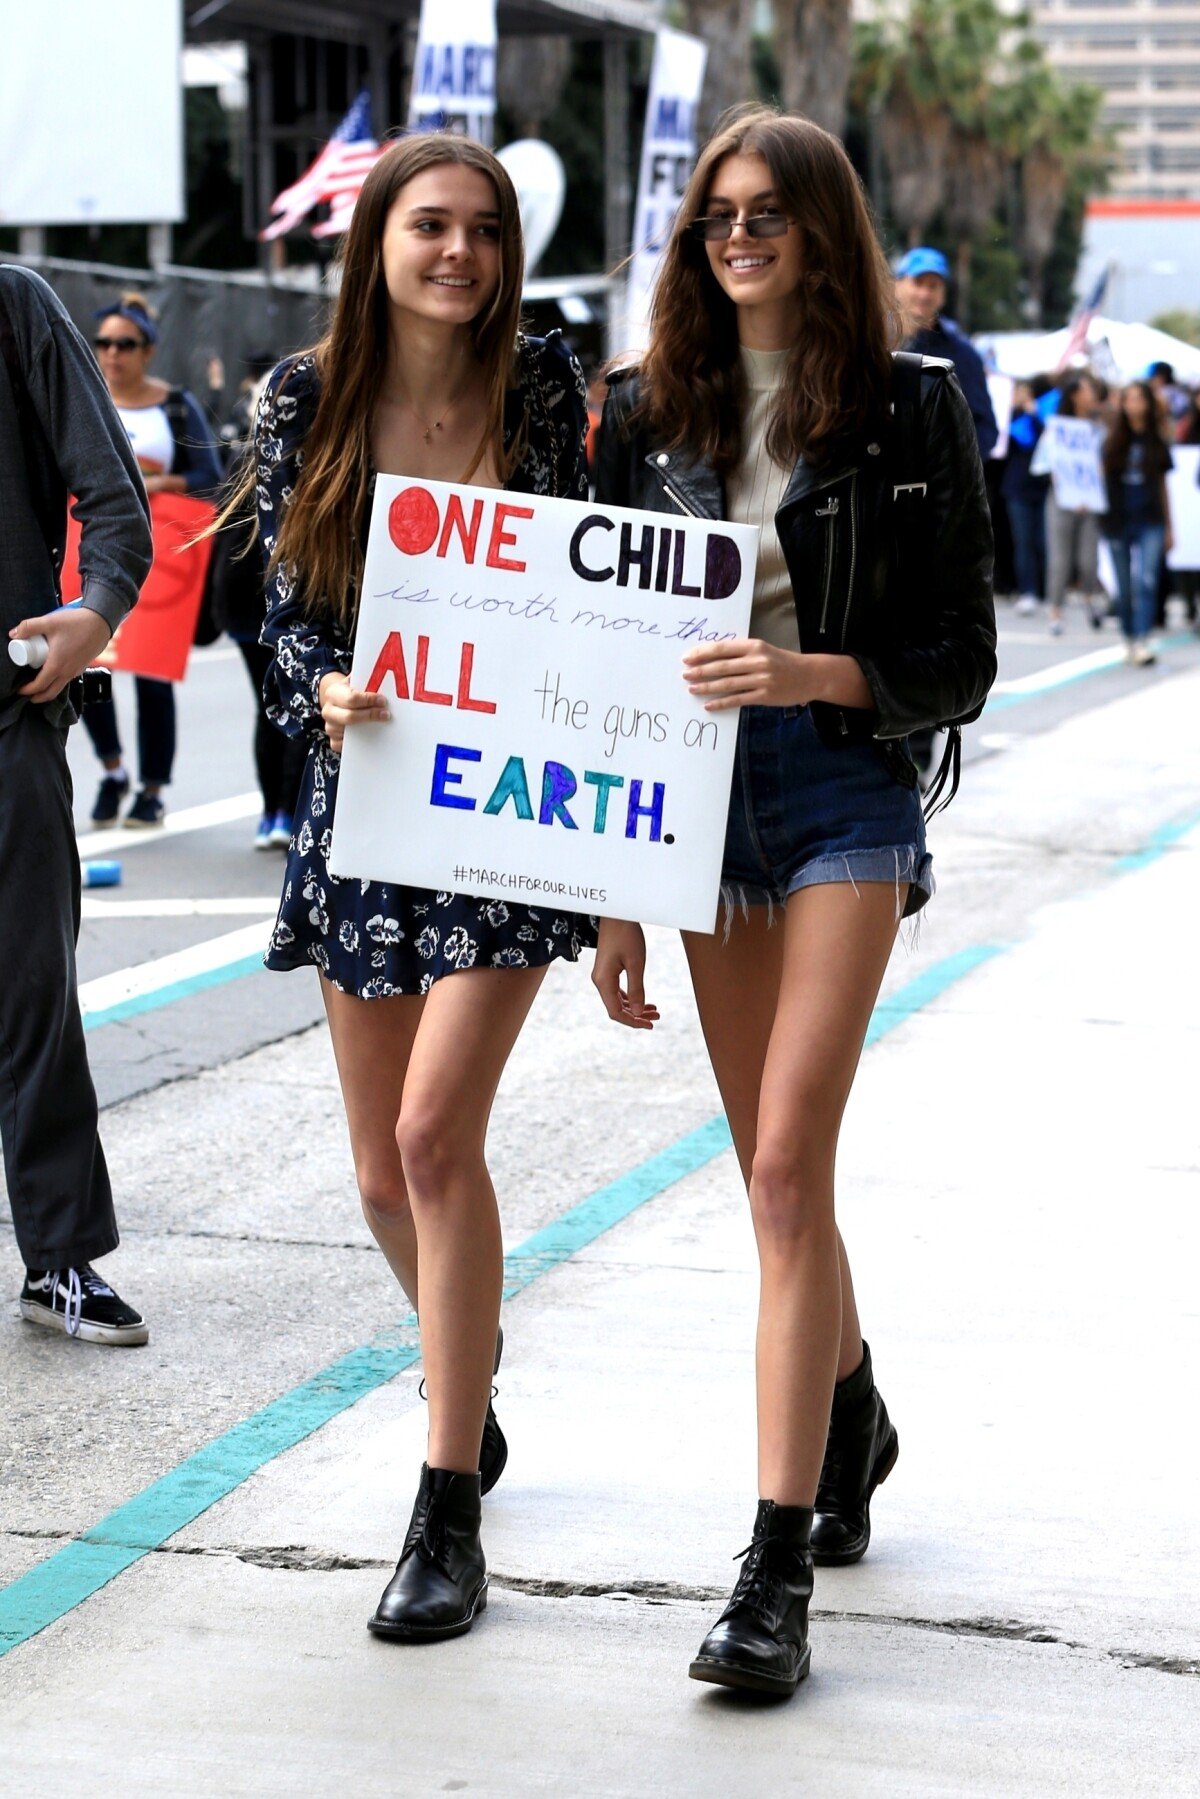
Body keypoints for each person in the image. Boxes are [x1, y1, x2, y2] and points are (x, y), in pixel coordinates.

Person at [593, 107, 995, 1699]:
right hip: (689, 800)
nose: (741, 236)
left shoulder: (908, 409)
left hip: (840, 784)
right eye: (717, 216)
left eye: (769, 212)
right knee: (776, 1174)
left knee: (777, 1163)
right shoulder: (643, 414)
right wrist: (615, 891)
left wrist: (813, 671)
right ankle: (853, 1407)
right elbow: (599, 661)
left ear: (824, 228)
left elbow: (959, 653)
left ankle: (769, 1578)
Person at [245, 134, 597, 1643]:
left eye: (484, 230)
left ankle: (445, 1505)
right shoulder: (300, 395)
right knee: (382, 1176)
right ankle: (474, 1354)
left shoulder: (545, 388)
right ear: (376, 238)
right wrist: (321, 686)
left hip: (507, 813)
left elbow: (602, 599)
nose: (459, 251)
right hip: (364, 805)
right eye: (431, 225)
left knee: (434, 1136)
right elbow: (276, 612)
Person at [0, 264, 151, 1343]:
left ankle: (58, 1257)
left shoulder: (16, 306)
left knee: (30, 998)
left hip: (6, 719)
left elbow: (113, 499)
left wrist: (95, 611)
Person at [83, 291, 223, 828]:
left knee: (151, 673)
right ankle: (112, 771)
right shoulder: (85, 399)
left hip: (161, 561)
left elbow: (213, 479)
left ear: (148, 350)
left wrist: (159, 482)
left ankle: (153, 788)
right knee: (90, 665)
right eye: (103, 343)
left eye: (125, 344)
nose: (112, 354)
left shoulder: (175, 406)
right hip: (92, 553)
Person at [209, 354, 305, 848]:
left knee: (269, 705)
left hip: (245, 604)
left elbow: (218, 537)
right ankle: (283, 810)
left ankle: (274, 811)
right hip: (278, 605)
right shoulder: (307, 457)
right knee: (289, 705)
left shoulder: (243, 454)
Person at [895, 247, 998, 459]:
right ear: (897, 286)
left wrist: (951, 463)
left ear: (943, 293)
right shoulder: (874, 343)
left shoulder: (962, 354)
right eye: (918, 283)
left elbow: (983, 426)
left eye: (933, 286)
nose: (924, 294)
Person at [1102, 380, 1174, 666]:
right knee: (1123, 584)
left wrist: (1170, 526)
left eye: (1139, 399)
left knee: (1146, 579)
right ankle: (1129, 636)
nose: (1134, 405)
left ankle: (1142, 637)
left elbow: (1162, 485)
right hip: (1118, 519)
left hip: (1150, 518)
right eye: (1128, 399)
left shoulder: (1156, 440)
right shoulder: (1113, 439)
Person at [1033, 372, 1108, 634]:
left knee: (1089, 559)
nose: (1092, 395)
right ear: (1075, 394)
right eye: (1088, 390)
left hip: (1089, 500)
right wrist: (1058, 475)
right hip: (1062, 499)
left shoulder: (1098, 428)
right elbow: (1041, 462)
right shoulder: (1057, 428)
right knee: (1060, 560)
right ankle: (1056, 610)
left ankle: (1090, 598)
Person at [1002, 377, 1051, 615]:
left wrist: (1033, 414)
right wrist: (1011, 409)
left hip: (1039, 487)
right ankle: (1027, 590)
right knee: (1024, 542)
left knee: (1042, 541)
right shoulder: (1007, 417)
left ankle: (1043, 589)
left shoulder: (1038, 417)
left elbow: (1047, 440)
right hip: (1017, 487)